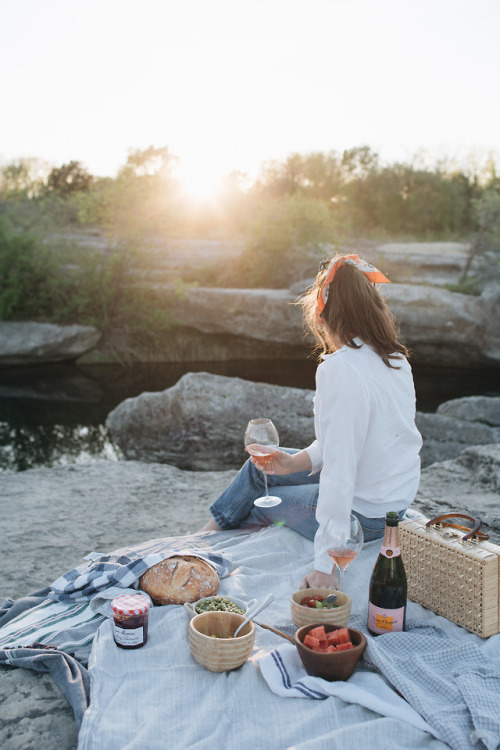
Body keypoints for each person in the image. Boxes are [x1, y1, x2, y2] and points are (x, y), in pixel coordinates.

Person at [201, 254, 422, 590]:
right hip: (392, 508)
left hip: (362, 518)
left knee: (260, 506)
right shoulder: (394, 360)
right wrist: (292, 464)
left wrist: (326, 565)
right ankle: (204, 535)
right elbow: (345, 443)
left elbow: (340, 470)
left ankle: (200, 548)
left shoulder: (341, 369)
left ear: (324, 314)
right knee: (257, 470)